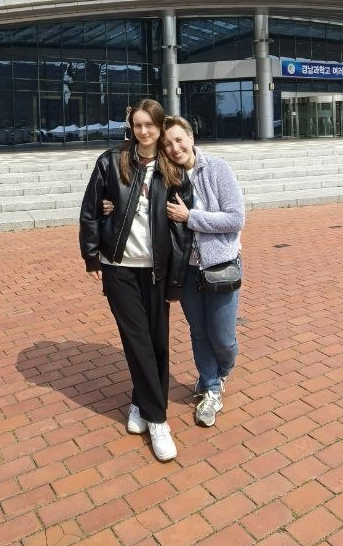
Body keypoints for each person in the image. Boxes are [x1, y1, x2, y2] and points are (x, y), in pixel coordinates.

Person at [79, 100, 193, 461]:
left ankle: (139, 401)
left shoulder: (171, 168)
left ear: (159, 127)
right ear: (131, 126)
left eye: (150, 125)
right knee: (137, 340)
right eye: (138, 125)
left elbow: (182, 233)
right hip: (119, 268)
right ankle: (158, 420)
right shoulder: (112, 161)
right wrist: (91, 255)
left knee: (157, 342)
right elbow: (90, 210)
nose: (144, 131)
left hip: (157, 269)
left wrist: (176, 279)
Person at [161, 116, 245, 429]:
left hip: (220, 266)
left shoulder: (217, 169)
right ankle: (210, 388)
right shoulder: (165, 177)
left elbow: (235, 219)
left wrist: (190, 217)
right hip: (186, 270)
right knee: (198, 331)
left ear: (191, 138)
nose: (174, 148)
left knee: (222, 338)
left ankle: (221, 371)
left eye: (178, 140)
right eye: (167, 144)